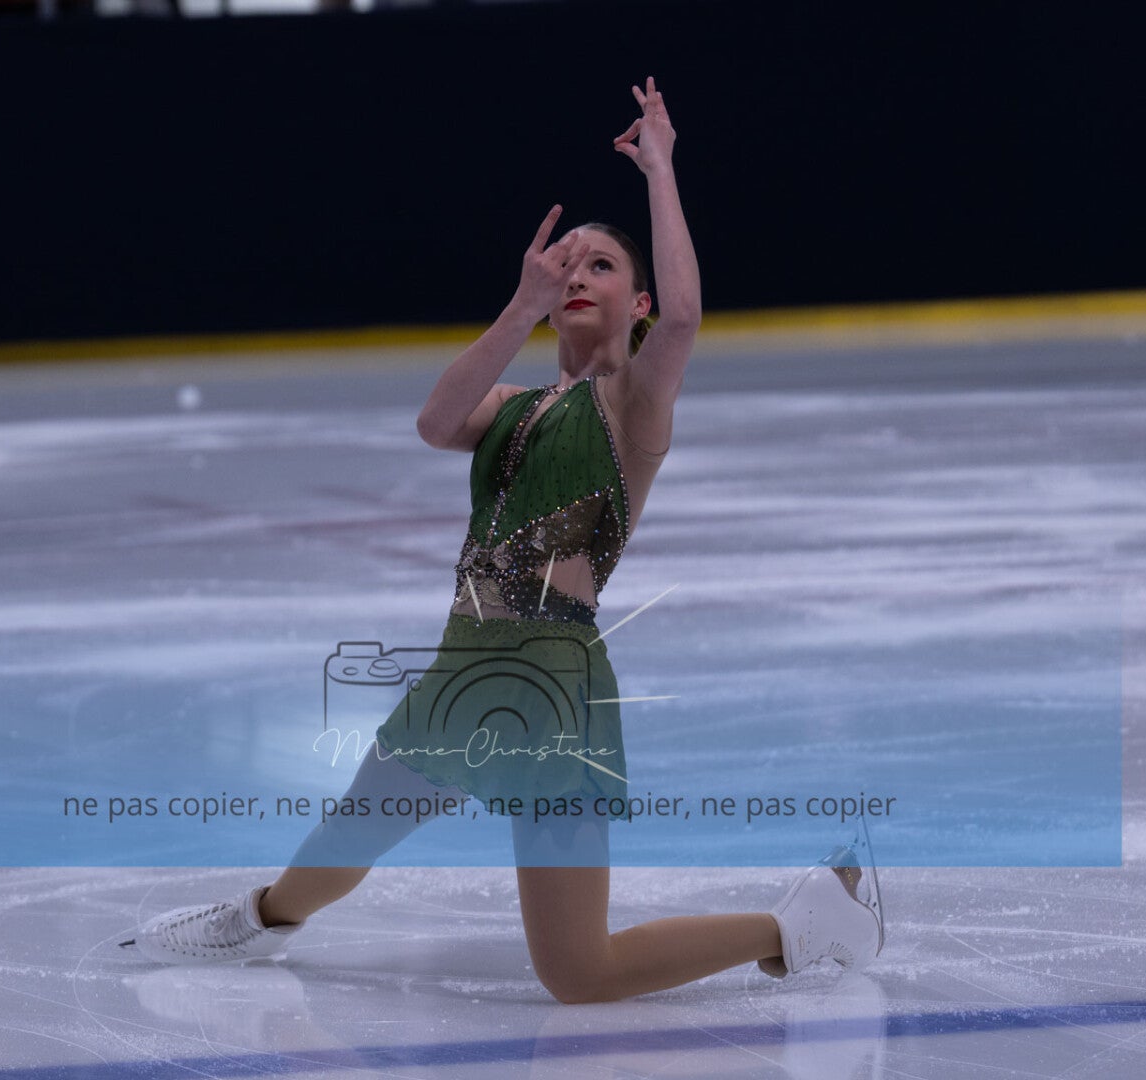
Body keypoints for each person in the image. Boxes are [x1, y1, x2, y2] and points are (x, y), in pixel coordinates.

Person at [122, 78, 883, 1003]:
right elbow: (436, 422)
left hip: (549, 685)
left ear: (638, 301)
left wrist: (662, 170)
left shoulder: (630, 405)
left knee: (578, 972)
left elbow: (685, 319)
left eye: (602, 266)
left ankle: (802, 924)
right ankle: (257, 920)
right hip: (464, 667)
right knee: (344, 841)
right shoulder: (515, 408)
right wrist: (519, 308)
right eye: (568, 265)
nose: (578, 276)